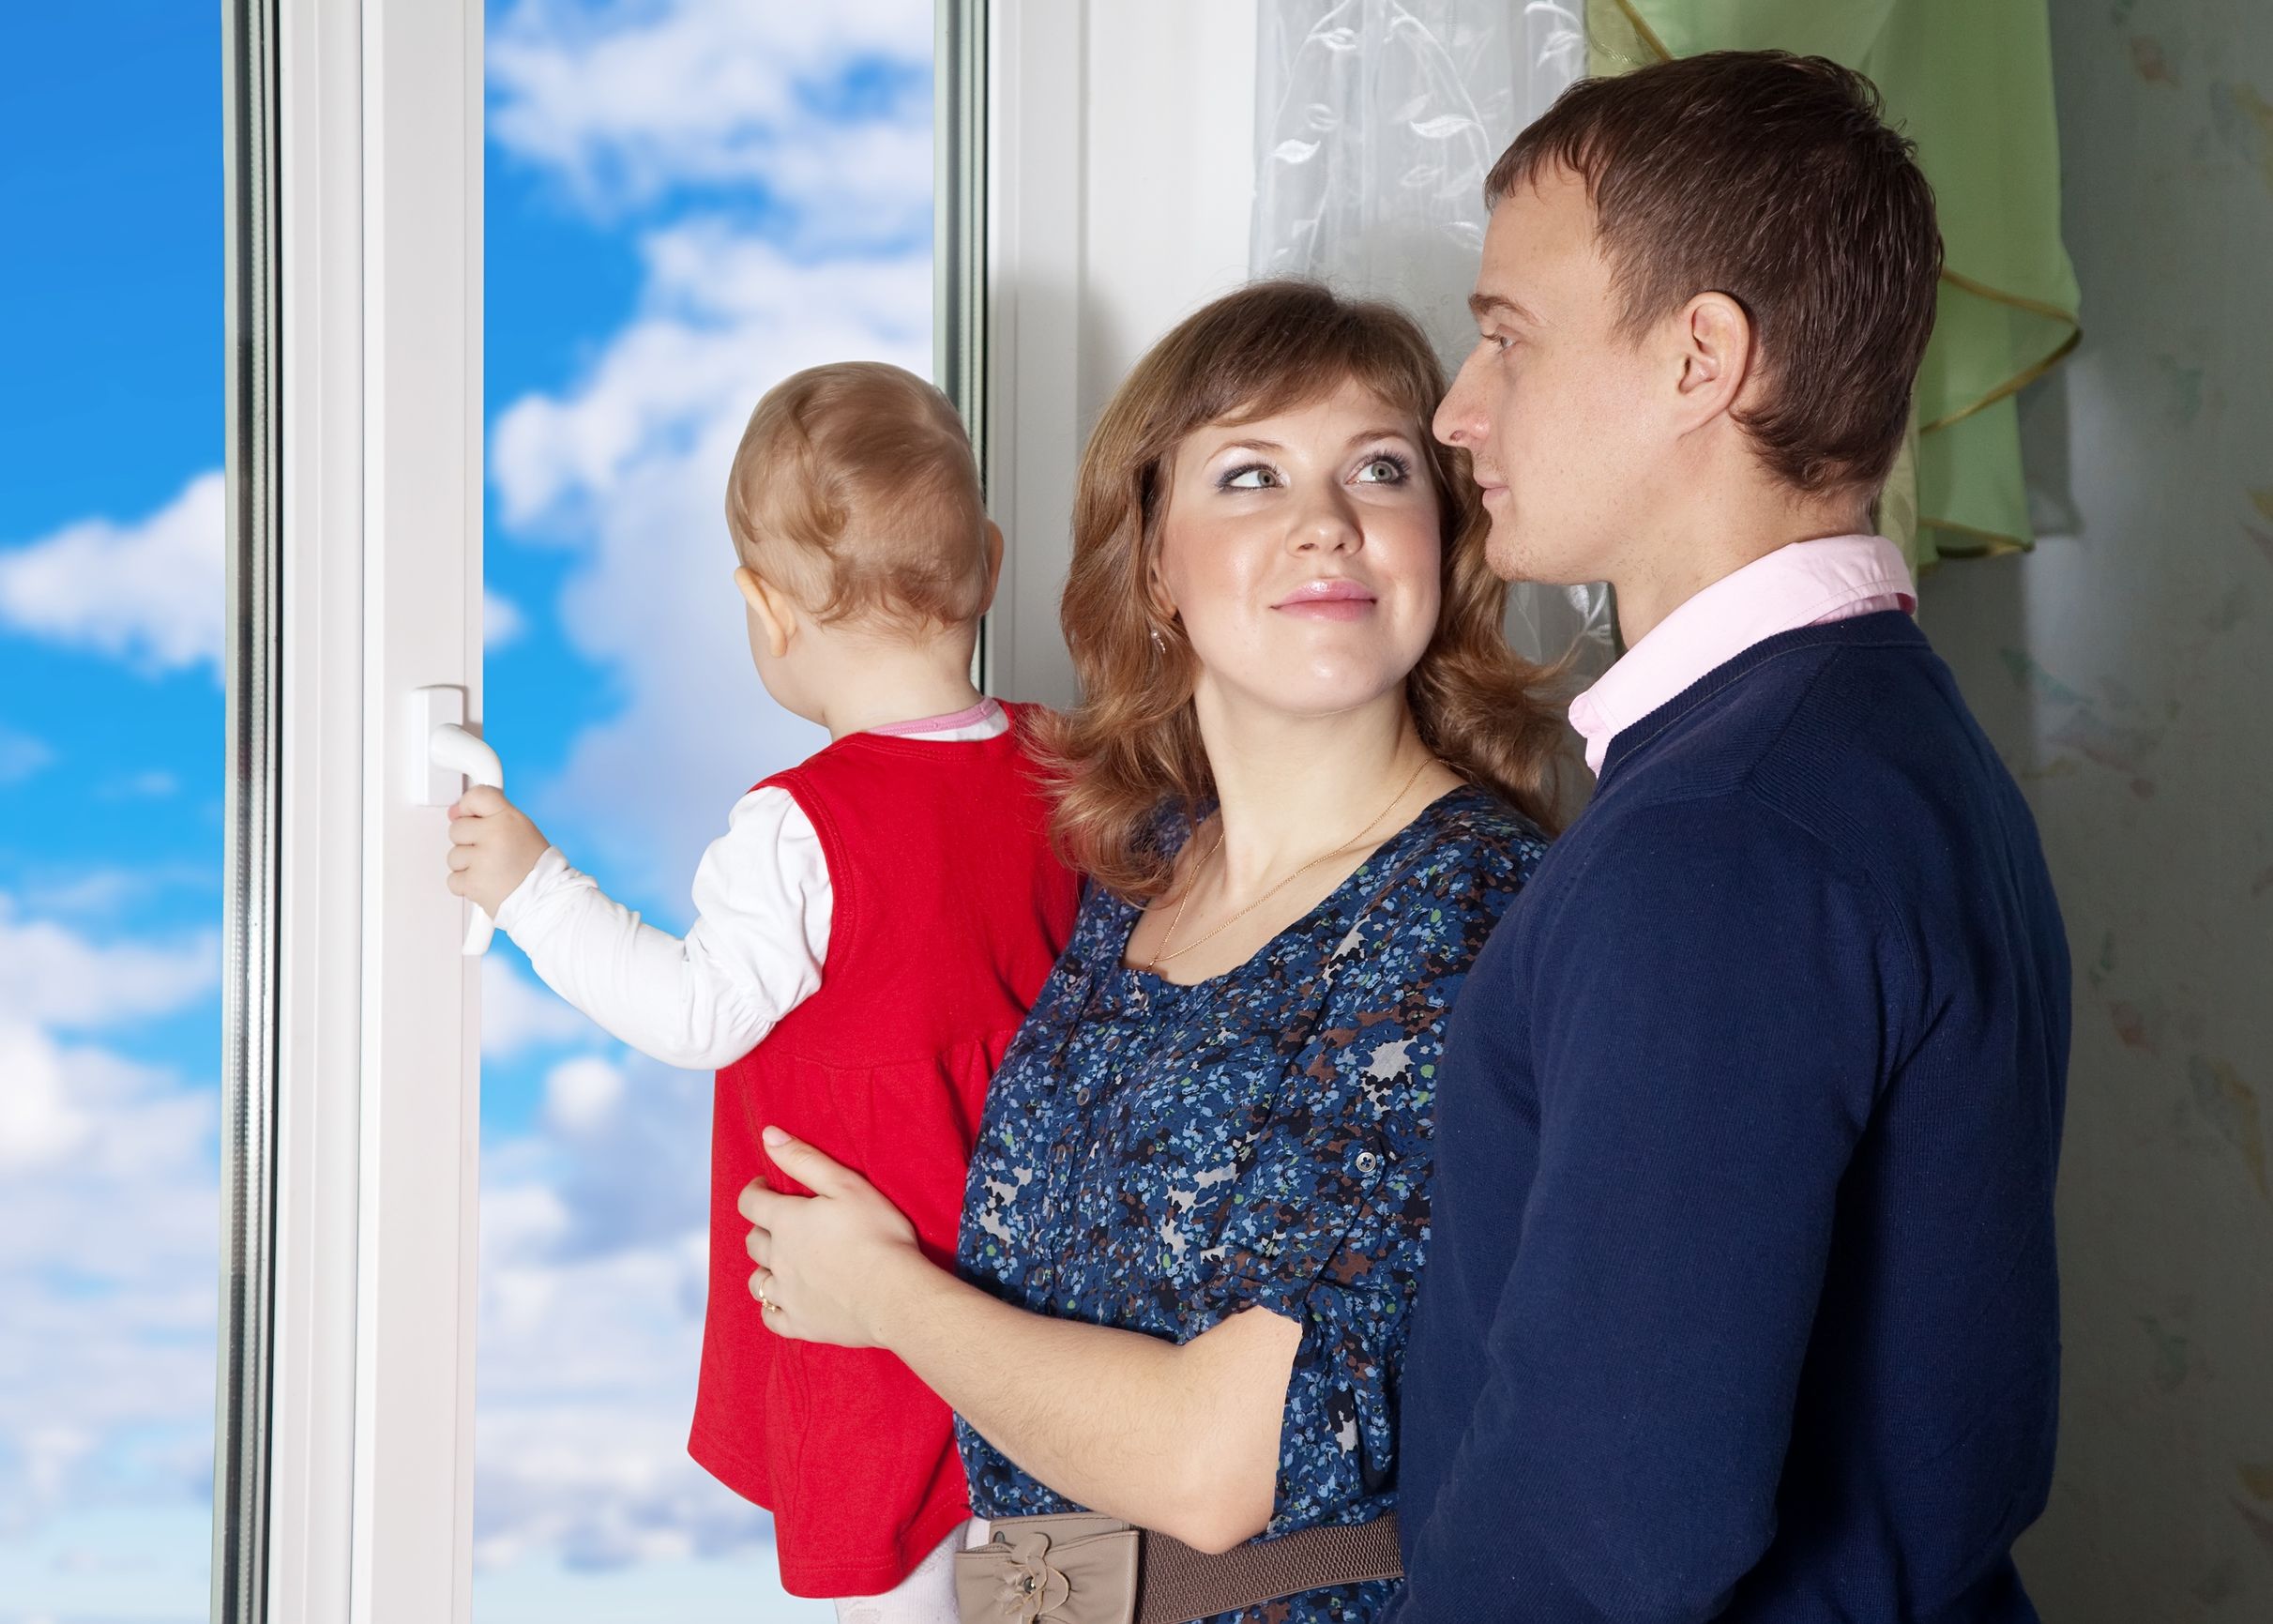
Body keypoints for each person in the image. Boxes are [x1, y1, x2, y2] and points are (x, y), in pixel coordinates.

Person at [735, 281, 1567, 1623]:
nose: (1327, 522)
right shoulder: (1127, 874)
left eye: (1380, 468)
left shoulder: (1476, 912)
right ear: (1157, 563)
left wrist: (881, 1295)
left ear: (1441, 534)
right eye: (1251, 474)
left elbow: (1217, 1463)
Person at [1391, 53, 2070, 1622]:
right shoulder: (1887, 746)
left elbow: (1604, 1526)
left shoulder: (1725, 839)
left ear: (1702, 356)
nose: (1458, 408)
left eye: (1508, 336)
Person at [443, 362, 1082, 1620]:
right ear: (990, 565)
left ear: (765, 610)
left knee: (888, 1592)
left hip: (870, 1314)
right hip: (1031, 1309)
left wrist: (530, 889)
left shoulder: (799, 828)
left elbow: (695, 1013)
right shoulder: (1062, 762)